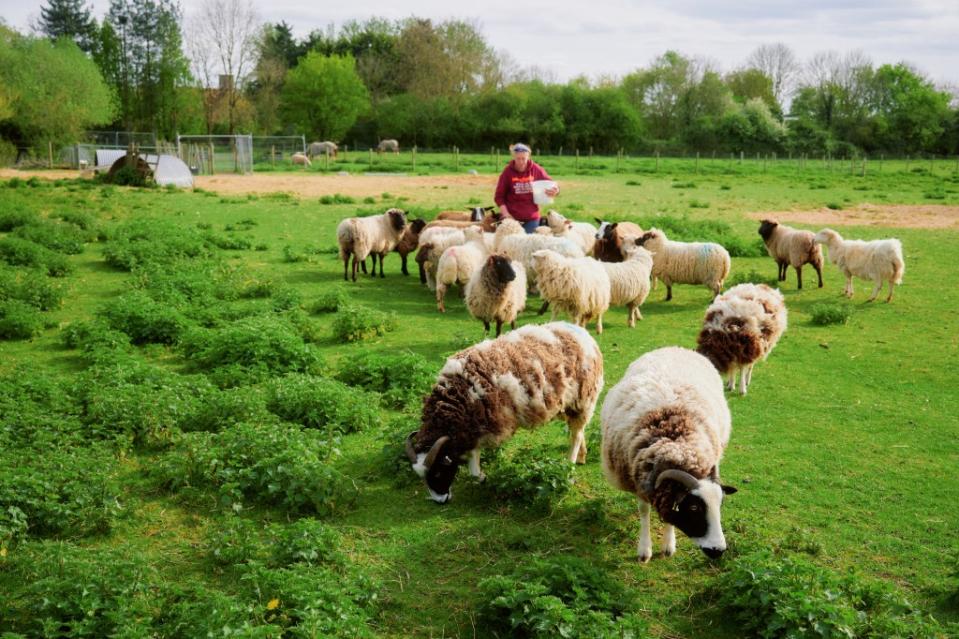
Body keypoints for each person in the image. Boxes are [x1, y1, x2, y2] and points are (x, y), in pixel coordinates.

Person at [493, 143, 560, 233]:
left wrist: (556, 190)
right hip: (511, 219)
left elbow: (551, 184)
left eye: (523, 158)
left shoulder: (536, 169)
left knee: (528, 243)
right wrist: (506, 214)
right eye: (518, 159)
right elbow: (499, 197)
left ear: (528, 156)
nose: (521, 162)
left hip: (531, 218)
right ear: (513, 157)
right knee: (511, 245)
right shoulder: (507, 172)